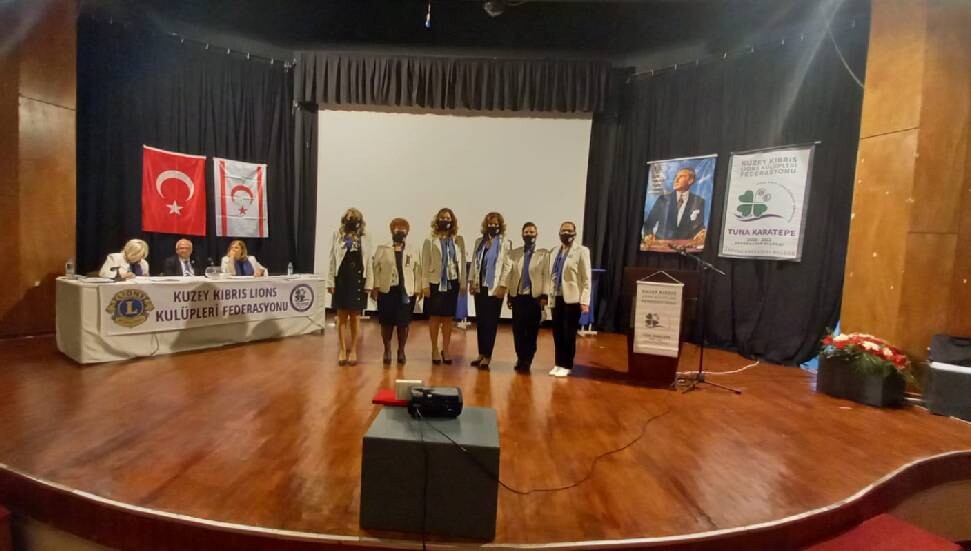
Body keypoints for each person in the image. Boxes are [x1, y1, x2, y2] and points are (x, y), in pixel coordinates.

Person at [371, 218, 421, 365]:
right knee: (386, 323)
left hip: (406, 292)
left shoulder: (413, 250)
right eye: (397, 229)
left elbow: (418, 270)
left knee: (403, 324)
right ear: (392, 231)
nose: (400, 231)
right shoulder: (382, 248)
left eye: (403, 229)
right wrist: (375, 287)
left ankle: (401, 350)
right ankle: (387, 350)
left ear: (407, 232)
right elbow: (376, 269)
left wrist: (418, 289)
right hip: (387, 291)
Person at [420, 208, 467, 365]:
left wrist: (463, 282)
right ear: (437, 220)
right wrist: (424, 285)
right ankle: (434, 349)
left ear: (452, 221)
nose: (445, 220)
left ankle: (445, 349)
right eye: (442, 218)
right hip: (435, 283)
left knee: (448, 319)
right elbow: (424, 264)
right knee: (435, 317)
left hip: (452, 283)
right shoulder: (430, 240)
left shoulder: (458, 240)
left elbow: (462, 262)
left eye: (448, 218)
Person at [328, 208, 373, 366]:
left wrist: (369, 283)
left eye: (354, 218)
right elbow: (332, 259)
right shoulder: (337, 235)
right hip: (341, 278)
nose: (351, 221)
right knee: (341, 316)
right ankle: (342, 349)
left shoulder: (365, 237)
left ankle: (353, 349)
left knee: (355, 317)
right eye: (349, 218)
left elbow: (369, 261)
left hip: (358, 278)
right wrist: (330, 282)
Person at [503, 222, 549, 373]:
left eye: (532, 232)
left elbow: (546, 276)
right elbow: (511, 275)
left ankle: (528, 359)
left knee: (532, 331)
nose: (529, 235)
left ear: (537, 234)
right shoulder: (515, 253)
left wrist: (545, 295)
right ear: (522, 234)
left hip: (535, 298)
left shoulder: (543, 254)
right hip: (518, 297)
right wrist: (509, 295)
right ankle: (520, 356)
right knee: (518, 330)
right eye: (526, 232)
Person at [548, 221, 591, 378]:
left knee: (568, 333)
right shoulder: (555, 251)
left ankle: (567, 364)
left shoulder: (581, 251)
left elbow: (586, 278)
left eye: (569, 230)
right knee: (557, 333)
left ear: (574, 233)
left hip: (572, 299)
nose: (566, 233)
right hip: (556, 296)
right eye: (563, 230)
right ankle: (558, 363)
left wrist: (584, 300)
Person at [468, 212, 511, 369]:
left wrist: (503, 286)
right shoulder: (480, 242)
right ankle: (481, 353)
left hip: (495, 288)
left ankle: (488, 355)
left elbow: (507, 266)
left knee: (490, 322)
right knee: (481, 321)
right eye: (490, 223)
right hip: (480, 287)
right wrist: (471, 281)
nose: (493, 226)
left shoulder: (505, 243)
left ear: (500, 225)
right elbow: (474, 262)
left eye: (496, 223)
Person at [641, 167, 707, 241]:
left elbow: (698, 227)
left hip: (686, 246)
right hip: (662, 245)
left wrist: (701, 233)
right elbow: (649, 223)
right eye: (676, 176)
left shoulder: (699, 201)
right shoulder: (662, 199)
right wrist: (648, 236)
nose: (676, 180)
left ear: (690, 181)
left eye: (681, 176)